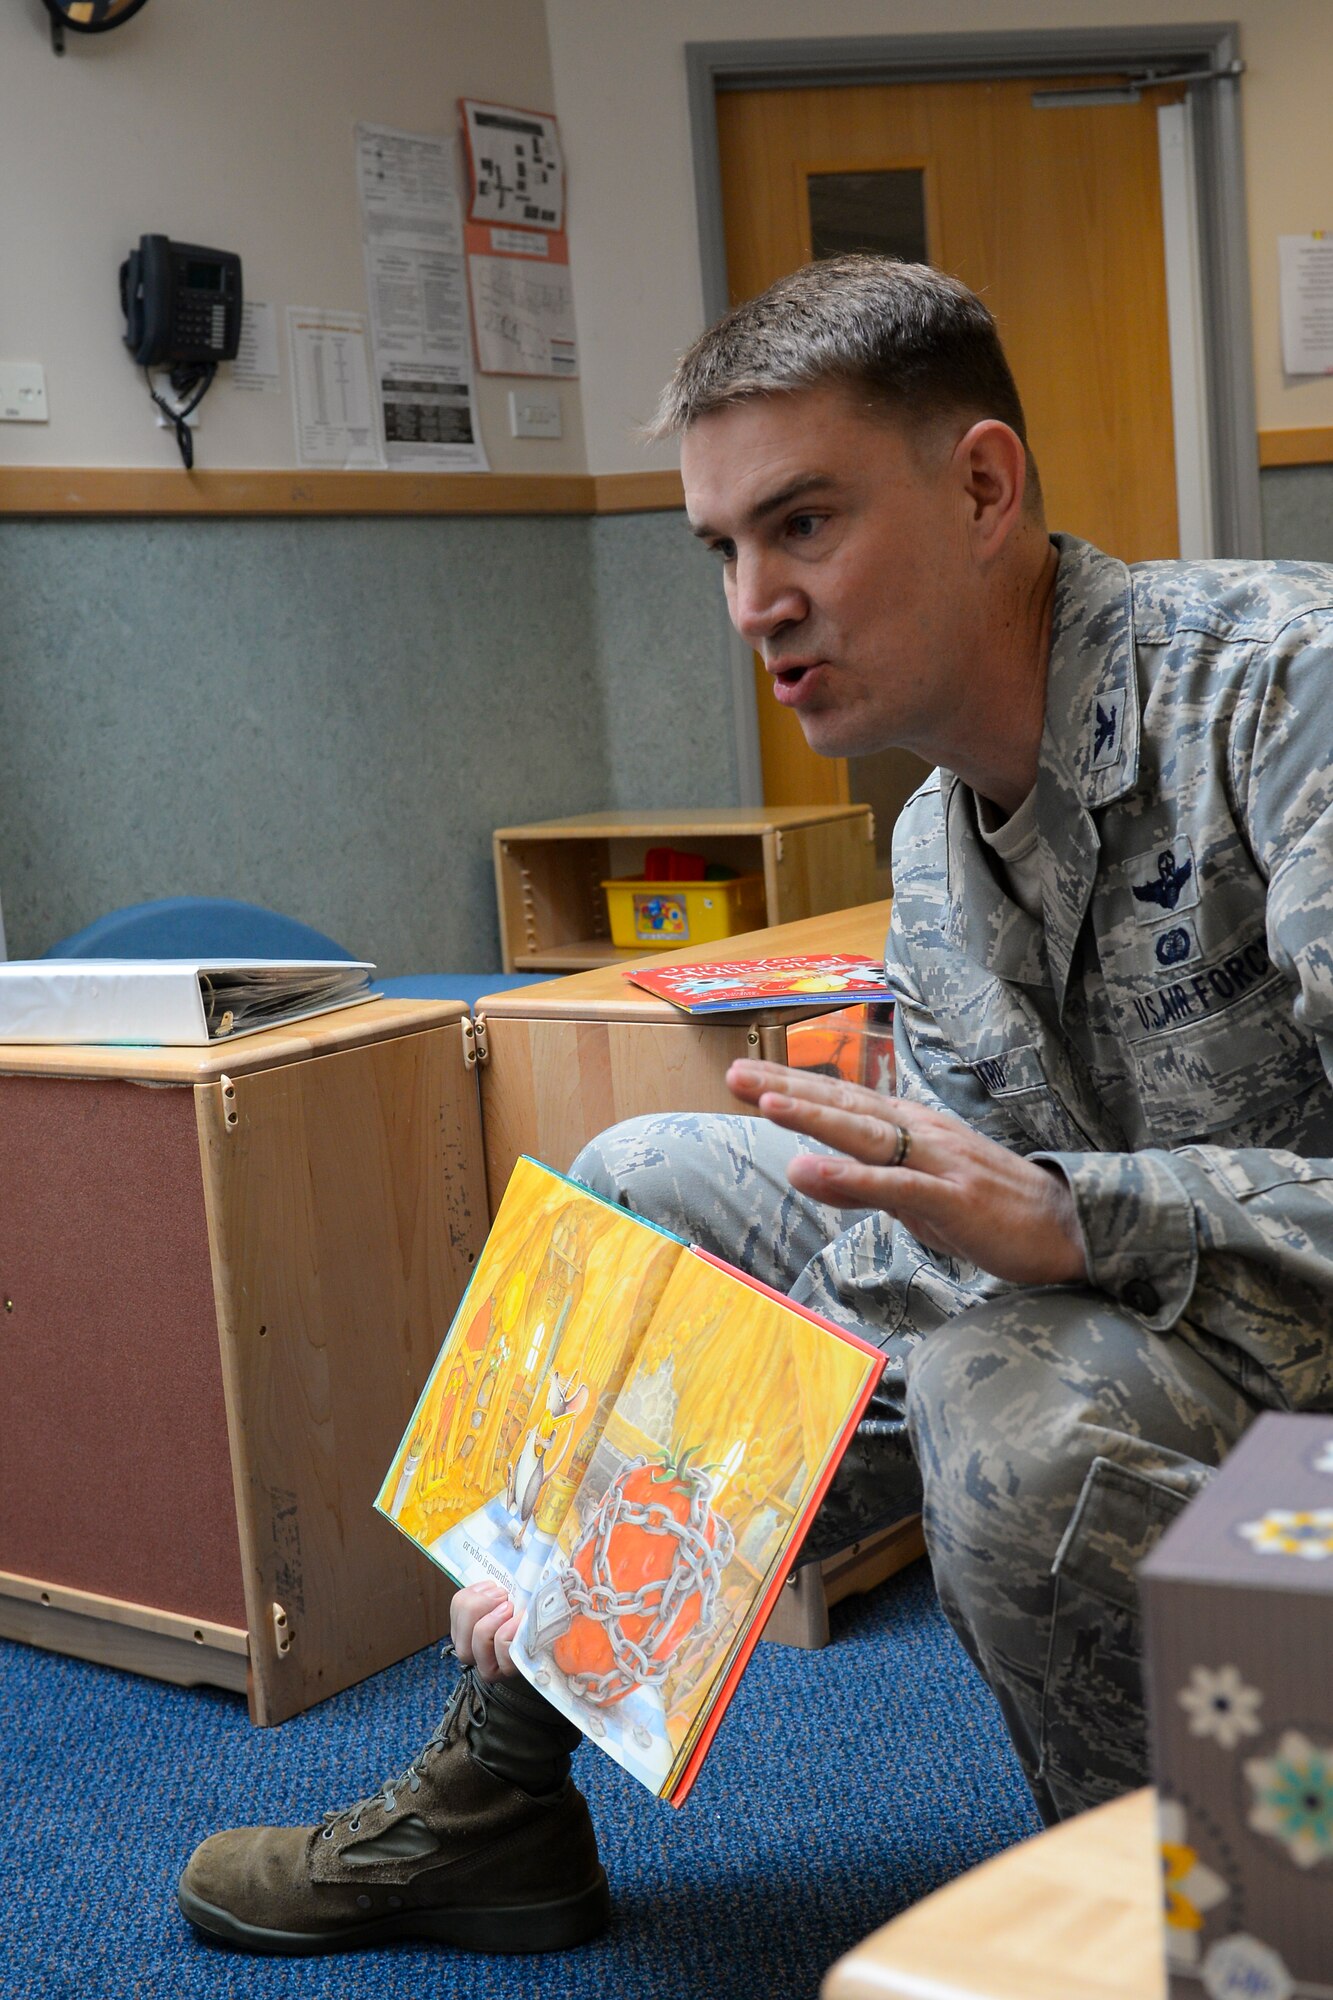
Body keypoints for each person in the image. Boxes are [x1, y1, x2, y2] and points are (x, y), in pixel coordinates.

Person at [176, 254, 1333, 1957]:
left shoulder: (1281, 691)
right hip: (1128, 1326)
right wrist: (575, 1546)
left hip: (1283, 1370)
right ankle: (499, 1797)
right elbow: (928, 1262)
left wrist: (1082, 1214)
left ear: (983, 485)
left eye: (802, 525)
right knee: (653, 1183)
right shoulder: (935, 841)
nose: (751, 603)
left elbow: (1021, 1264)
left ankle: (1204, 1938)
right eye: (721, 549)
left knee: (1015, 1414)